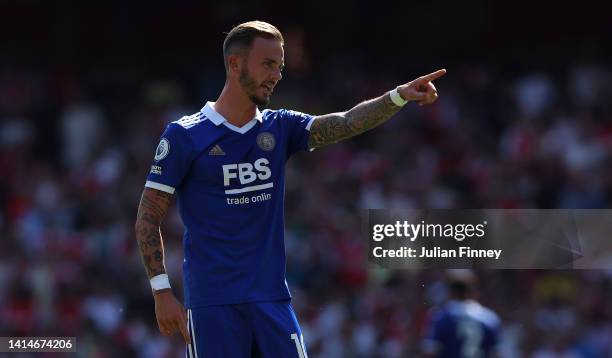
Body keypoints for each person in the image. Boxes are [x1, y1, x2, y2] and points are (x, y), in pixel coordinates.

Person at [134, 20, 446, 357]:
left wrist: (397, 97)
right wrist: (161, 292)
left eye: (280, 67)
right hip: (213, 304)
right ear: (235, 64)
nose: (277, 75)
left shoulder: (280, 126)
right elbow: (148, 217)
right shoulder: (184, 135)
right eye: (268, 64)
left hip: (271, 301)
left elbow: (343, 122)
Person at [422, 270, 501, 358]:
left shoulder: (441, 317)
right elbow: (497, 354)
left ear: (450, 292)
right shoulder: (489, 318)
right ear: (473, 291)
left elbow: (431, 352)